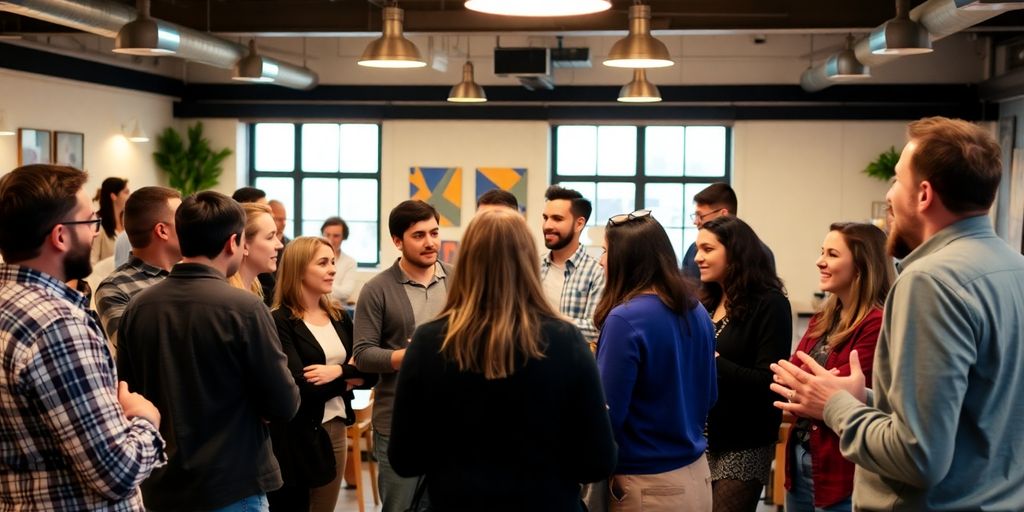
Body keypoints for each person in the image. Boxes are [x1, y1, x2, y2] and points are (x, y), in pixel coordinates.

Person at [771, 117, 1024, 510]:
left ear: (923, 195)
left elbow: (918, 457)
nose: (889, 194)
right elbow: (975, 414)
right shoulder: (1014, 268)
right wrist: (866, 399)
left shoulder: (930, 281)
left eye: (895, 179)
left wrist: (833, 407)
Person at [388, 208, 616, 511]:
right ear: (528, 262)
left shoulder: (429, 343)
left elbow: (405, 460)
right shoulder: (567, 341)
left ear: (466, 261)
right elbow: (597, 463)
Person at [117, 191, 300, 512]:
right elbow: (283, 403)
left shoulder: (139, 306)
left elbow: (126, 392)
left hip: (160, 483)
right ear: (233, 243)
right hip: (232, 483)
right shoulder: (244, 308)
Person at [0, 164, 165, 510]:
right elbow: (116, 471)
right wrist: (144, 418)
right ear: (60, 236)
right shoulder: (59, 326)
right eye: (90, 221)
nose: (94, 233)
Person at [595, 210, 717, 511]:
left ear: (628, 259)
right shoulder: (697, 311)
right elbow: (710, 395)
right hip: (698, 476)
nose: (600, 261)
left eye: (605, 251)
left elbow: (608, 417)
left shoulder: (625, 319)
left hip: (649, 486)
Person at [783, 223, 894, 512]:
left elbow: (838, 396)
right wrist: (804, 394)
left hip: (841, 469)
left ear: (860, 267)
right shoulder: (822, 319)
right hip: (800, 460)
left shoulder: (876, 324)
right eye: (822, 252)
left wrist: (804, 393)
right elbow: (792, 383)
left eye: (832, 254)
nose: (820, 261)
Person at [353, 200, 453, 512]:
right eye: (419, 235)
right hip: (398, 420)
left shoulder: (460, 279)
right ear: (398, 241)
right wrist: (408, 357)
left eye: (434, 233)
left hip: (453, 419)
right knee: (400, 507)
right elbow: (363, 353)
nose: (430, 242)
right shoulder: (377, 289)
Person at [268, 237, 378, 512]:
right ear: (299, 269)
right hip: (298, 434)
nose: (332, 269)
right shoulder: (281, 319)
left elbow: (371, 373)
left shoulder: (340, 316)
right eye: (323, 263)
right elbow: (301, 388)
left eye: (332, 262)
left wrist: (337, 371)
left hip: (336, 428)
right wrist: (350, 377)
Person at [696, 215, 791, 512]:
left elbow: (769, 382)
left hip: (743, 442)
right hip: (700, 440)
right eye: (698, 249)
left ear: (735, 252)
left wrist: (713, 361)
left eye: (708, 249)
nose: (698, 257)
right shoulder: (707, 302)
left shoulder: (770, 303)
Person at [95, 186, 182, 354]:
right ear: (162, 231)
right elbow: (140, 349)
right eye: (183, 221)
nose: (191, 228)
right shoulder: (114, 288)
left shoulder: (193, 274)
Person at [540, 185, 604, 341]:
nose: (547, 225)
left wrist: (544, 321)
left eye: (557, 218)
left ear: (579, 224)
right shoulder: (533, 267)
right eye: (545, 217)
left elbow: (595, 331)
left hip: (573, 363)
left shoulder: (597, 272)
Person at [681, 183, 735, 280]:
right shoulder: (693, 249)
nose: (695, 222)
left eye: (700, 216)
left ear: (723, 215)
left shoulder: (754, 252)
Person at [228, 202, 284, 297]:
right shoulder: (231, 298)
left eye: (276, 235)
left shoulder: (260, 293)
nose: (280, 245)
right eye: (270, 237)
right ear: (244, 246)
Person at [91, 177, 130, 264]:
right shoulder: (97, 225)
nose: (129, 196)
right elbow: (92, 262)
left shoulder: (127, 223)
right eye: (126, 192)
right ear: (113, 196)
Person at [321, 216, 357, 304]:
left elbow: (346, 292)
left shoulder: (350, 262)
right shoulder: (311, 258)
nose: (330, 240)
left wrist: (320, 285)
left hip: (338, 309)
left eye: (336, 236)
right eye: (327, 235)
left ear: (343, 237)